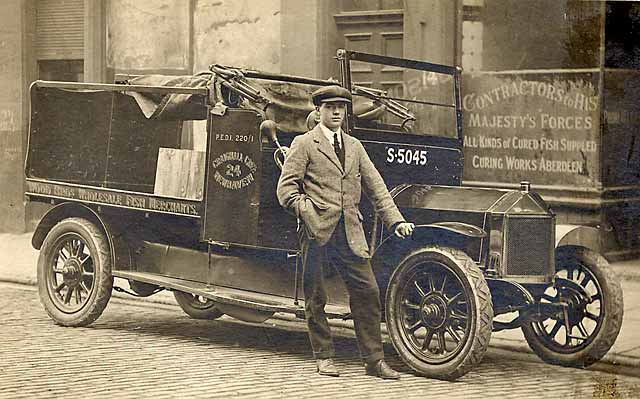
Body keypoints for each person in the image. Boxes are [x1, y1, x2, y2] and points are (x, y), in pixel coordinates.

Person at [276, 85, 415, 379]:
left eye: (341, 107)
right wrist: (306, 209)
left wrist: (396, 221)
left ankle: (374, 361)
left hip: (350, 231)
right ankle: (323, 357)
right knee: (316, 297)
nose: (337, 112)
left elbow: (377, 187)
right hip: (316, 230)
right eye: (330, 107)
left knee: (368, 292)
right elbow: (286, 189)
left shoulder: (354, 146)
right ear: (319, 111)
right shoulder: (304, 143)